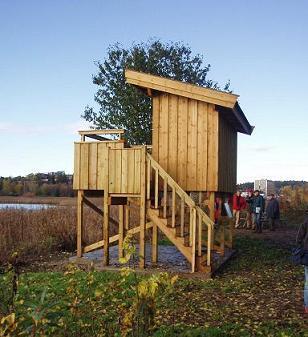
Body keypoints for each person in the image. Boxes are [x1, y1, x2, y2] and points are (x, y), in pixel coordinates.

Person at [296, 210, 308, 314]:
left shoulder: (306, 221)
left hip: (307, 253)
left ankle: (307, 306)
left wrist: (301, 247)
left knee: (307, 282)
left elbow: (299, 237)